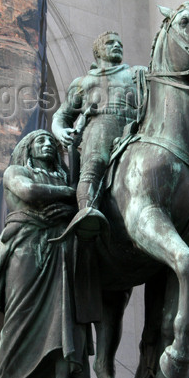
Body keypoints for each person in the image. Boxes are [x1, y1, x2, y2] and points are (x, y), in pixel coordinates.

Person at [0, 130, 90, 378]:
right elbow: (29, 191)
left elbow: (78, 206)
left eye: (51, 142)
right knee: (18, 322)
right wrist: (72, 193)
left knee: (62, 322)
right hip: (25, 247)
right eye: (40, 141)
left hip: (59, 246)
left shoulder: (61, 178)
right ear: (27, 149)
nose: (47, 144)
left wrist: (73, 199)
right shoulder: (15, 171)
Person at [52, 31, 145, 232]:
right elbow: (62, 115)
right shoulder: (83, 82)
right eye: (110, 43)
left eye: (119, 43)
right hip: (102, 124)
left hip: (137, 128)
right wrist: (59, 130)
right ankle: (87, 211)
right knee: (95, 163)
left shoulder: (136, 74)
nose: (117, 46)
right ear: (98, 51)